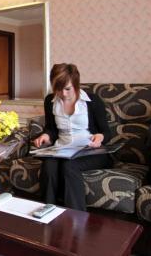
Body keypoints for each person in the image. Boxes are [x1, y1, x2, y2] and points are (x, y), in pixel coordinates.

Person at [33, 63, 112, 211]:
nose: (63, 93)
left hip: (90, 151)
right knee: (49, 167)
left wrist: (100, 137)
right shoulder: (50, 101)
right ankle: (46, 212)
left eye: (67, 88)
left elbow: (107, 133)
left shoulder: (93, 101)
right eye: (58, 88)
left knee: (69, 166)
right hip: (62, 149)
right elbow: (51, 129)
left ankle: (76, 218)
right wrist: (46, 135)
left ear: (76, 84)